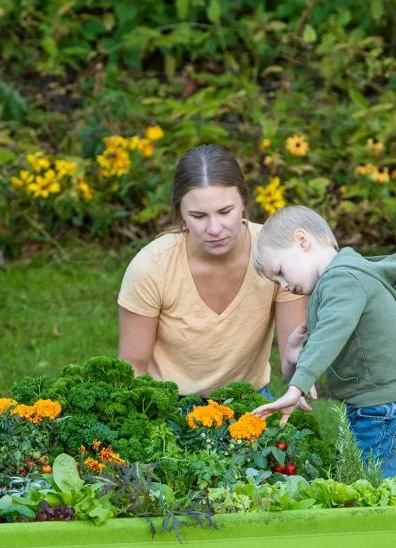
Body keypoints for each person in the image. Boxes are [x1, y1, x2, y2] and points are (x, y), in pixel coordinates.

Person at [117, 144, 308, 397]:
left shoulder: (277, 255)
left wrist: (302, 367)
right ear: (181, 214)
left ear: (244, 203)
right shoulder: (152, 266)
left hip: (247, 400)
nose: (215, 228)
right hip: (168, 404)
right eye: (198, 215)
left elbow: (290, 366)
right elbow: (132, 369)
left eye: (224, 211)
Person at [250, 205, 396, 477]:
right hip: (373, 404)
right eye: (275, 280)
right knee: (353, 478)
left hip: (382, 407)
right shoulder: (335, 283)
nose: (282, 285)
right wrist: (296, 355)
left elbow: (332, 331)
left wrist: (297, 388)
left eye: (280, 271)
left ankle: (374, 520)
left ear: (302, 241)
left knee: (364, 484)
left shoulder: (342, 279)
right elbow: (330, 339)